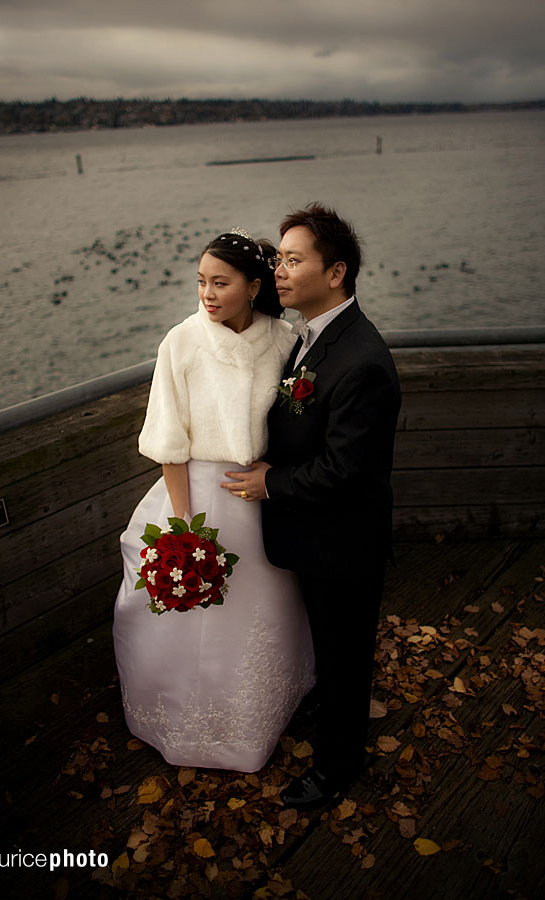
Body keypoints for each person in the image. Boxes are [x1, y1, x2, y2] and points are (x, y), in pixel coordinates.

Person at [113, 229, 315, 773]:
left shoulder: (283, 339)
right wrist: (183, 526)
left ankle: (253, 719)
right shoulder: (181, 342)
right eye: (201, 281)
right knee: (189, 615)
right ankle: (181, 722)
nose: (207, 292)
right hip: (195, 496)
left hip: (259, 498)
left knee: (261, 612)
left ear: (254, 287)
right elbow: (167, 441)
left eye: (220, 283)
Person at [221, 203, 401, 806]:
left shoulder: (363, 361)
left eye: (295, 260)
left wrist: (270, 484)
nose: (279, 270)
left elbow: (346, 469)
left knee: (347, 656)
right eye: (278, 258)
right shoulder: (315, 333)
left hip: (344, 540)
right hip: (316, 535)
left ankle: (336, 768)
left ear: (337, 273)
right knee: (327, 642)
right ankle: (325, 703)